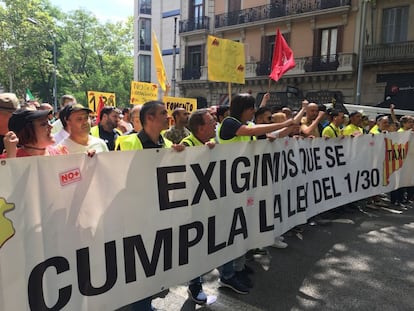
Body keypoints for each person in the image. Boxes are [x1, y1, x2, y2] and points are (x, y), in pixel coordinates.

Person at [118, 100, 184, 311]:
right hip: (135, 217)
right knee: (137, 267)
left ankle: (145, 305)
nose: (168, 116)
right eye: (163, 113)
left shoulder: (165, 144)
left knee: (151, 266)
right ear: (150, 118)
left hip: (157, 215)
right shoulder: (126, 143)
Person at [180, 109, 216, 305]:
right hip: (191, 209)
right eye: (211, 122)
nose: (215, 124)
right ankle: (195, 286)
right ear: (201, 128)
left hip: (206, 205)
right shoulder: (187, 145)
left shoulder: (211, 144)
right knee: (194, 248)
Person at [217, 93, 295, 145]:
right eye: (251, 109)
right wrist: (283, 125)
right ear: (242, 109)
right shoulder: (229, 123)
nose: (254, 111)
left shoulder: (250, 124)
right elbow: (251, 131)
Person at [2, 109, 68, 158]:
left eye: (48, 122)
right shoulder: (7, 159)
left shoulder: (61, 152)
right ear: (27, 131)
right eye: (43, 124)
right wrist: (11, 157)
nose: (51, 126)